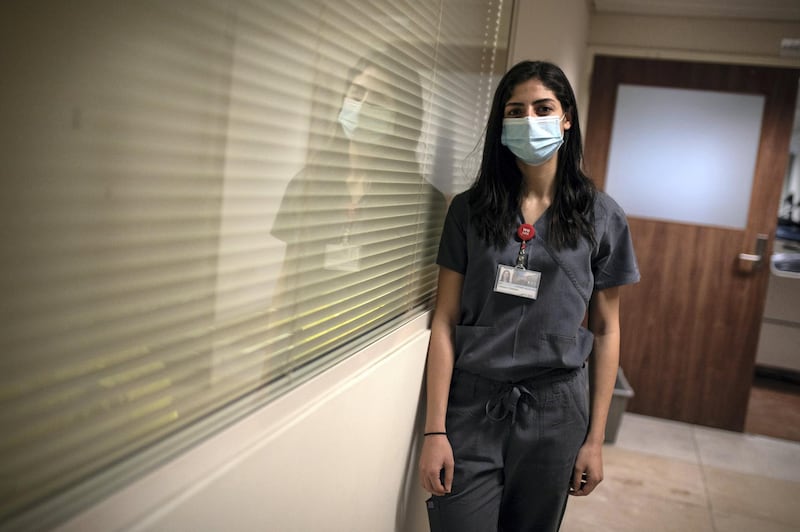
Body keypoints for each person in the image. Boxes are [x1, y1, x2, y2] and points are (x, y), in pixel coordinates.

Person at [418, 60, 640, 532]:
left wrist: (595, 439)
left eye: (543, 108)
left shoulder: (602, 216)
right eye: (515, 111)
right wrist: (435, 428)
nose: (529, 120)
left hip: (555, 411)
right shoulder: (469, 210)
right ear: (501, 122)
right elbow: (444, 319)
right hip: (474, 404)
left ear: (566, 119)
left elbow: (606, 328)